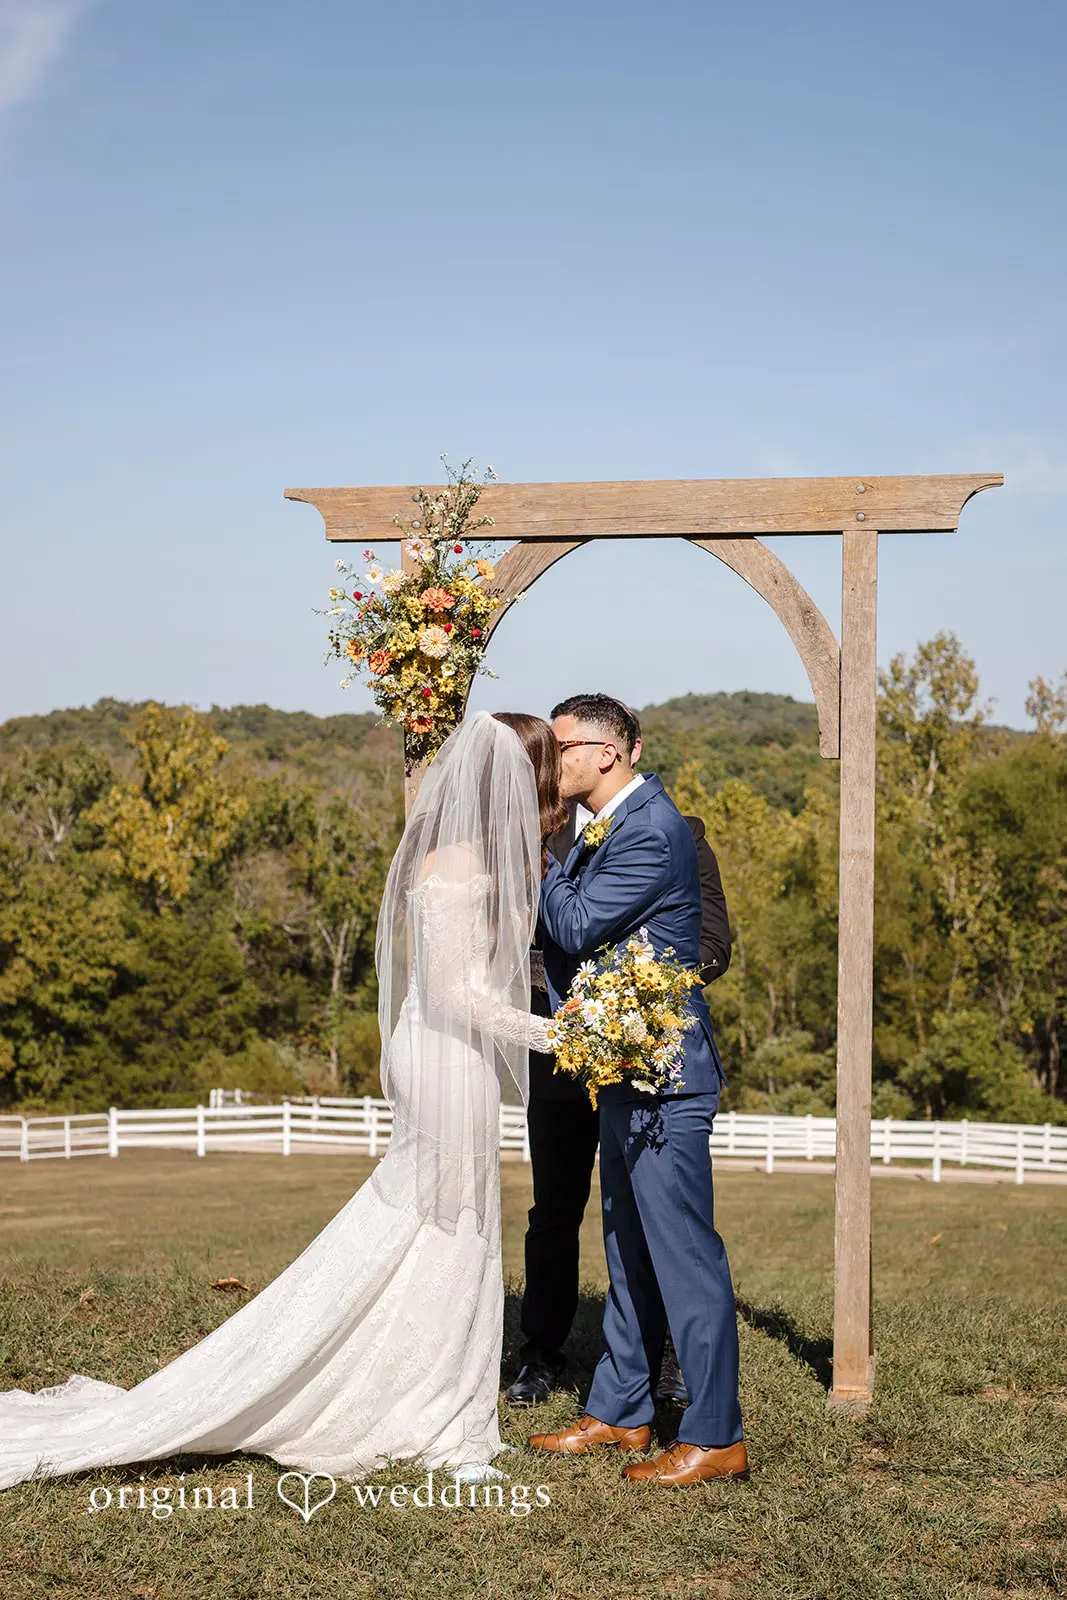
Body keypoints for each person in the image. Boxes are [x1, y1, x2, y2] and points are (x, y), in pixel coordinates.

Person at [0, 710, 564, 1492]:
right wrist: (560, 1038)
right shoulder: (455, 866)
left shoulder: (474, 859)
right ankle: (423, 1410)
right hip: (443, 1056)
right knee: (438, 1221)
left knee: (453, 1226)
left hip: (446, 1056)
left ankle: (445, 1405)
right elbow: (451, 994)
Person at [529, 693, 746, 1487]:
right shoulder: (606, 824)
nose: (553, 764)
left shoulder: (651, 829)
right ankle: (621, 1412)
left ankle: (717, 1434)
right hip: (620, 1069)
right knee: (626, 1251)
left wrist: (539, 854)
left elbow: (579, 924)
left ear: (607, 754)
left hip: (666, 1076)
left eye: (562, 749)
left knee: (685, 1257)